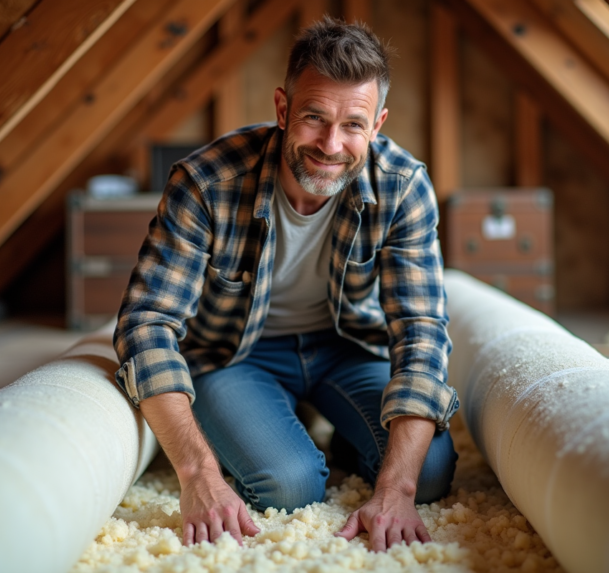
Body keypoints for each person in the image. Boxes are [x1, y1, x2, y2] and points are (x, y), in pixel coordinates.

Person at [113, 16, 458, 553]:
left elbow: (421, 330)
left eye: (353, 125)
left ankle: (345, 436)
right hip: (236, 355)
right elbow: (147, 325)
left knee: (429, 473)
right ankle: (278, 429)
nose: (331, 144)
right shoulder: (206, 181)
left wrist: (397, 486)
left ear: (379, 123)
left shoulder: (404, 185)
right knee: (289, 485)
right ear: (282, 109)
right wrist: (197, 472)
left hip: (345, 347)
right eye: (314, 118)